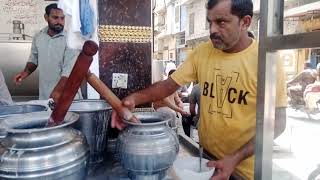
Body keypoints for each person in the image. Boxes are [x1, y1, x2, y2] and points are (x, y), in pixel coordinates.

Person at [111, 0, 287, 179]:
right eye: (210, 22)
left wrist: (234, 159)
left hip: (245, 171)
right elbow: (168, 86)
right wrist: (132, 100)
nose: (212, 30)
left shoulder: (266, 61)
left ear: (245, 22)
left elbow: (278, 122)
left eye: (221, 22)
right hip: (206, 160)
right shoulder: (202, 52)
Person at [13, 3, 82, 100]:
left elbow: (68, 72)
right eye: (55, 17)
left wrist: (58, 91)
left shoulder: (70, 40)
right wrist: (25, 73)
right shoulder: (39, 36)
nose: (59, 21)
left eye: (62, 18)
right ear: (46, 17)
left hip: (66, 96)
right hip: (45, 96)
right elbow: (34, 59)